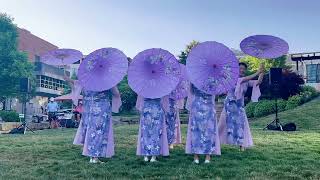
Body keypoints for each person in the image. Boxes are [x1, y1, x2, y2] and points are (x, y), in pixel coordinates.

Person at [65, 74, 122, 163]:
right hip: (102, 109)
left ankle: (92, 155)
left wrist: (68, 79)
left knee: (91, 131)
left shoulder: (87, 80)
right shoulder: (107, 79)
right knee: (99, 131)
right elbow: (116, 93)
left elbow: (77, 85)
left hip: (89, 109)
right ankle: (94, 157)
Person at [218, 63, 264, 151]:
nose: (242, 70)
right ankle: (216, 142)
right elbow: (242, 80)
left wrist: (261, 72)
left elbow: (258, 82)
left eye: (244, 69)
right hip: (230, 105)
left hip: (239, 106)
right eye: (240, 68)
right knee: (223, 125)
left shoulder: (246, 81)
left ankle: (242, 145)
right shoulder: (232, 79)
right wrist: (257, 72)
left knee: (242, 125)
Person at [185, 84, 221, 164]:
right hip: (201, 107)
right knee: (200, 131)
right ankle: (203, 156)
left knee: (204, 131)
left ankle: (200, 156)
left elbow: (191, 92)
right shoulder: (212, 80)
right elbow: (217, 92)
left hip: (203, 106)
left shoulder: (195, 78)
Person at [136, 95, 169, 162]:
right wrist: (165, 110)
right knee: (156, 133)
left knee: (145, 133)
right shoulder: (161, 86)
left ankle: (146, 156)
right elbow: (165, 102)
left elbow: (139, 101)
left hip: (146, 109)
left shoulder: (144, 86)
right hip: (157, 109)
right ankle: (153, 157)